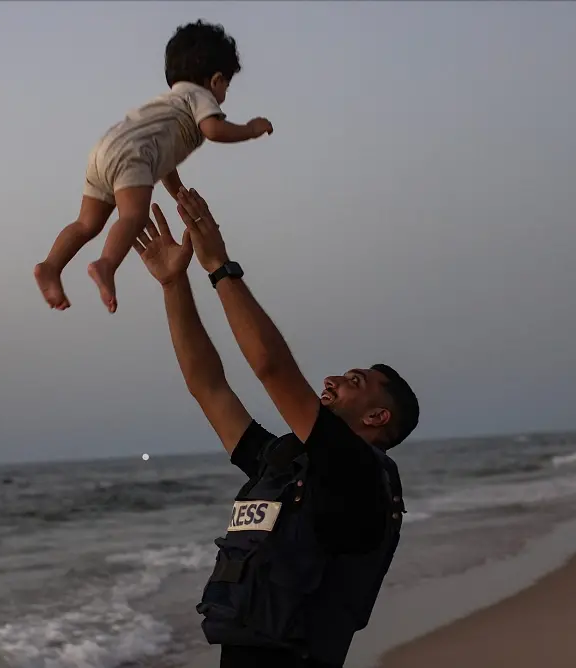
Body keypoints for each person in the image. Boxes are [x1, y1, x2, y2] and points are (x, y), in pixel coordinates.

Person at [135, 188, 420, 668]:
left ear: (376, 418)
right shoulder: (290, 464)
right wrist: (172, 284)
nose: (331, 380)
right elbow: (209, 387)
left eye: (355, 382)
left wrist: (219, 267)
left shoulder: (357, 473)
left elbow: (271, 368)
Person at [34, 20, 273, 314]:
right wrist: (249, 129)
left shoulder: (170, 102)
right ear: (216, 79)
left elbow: (166, 165)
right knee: (133, 216)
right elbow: (213, 130)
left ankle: (50, 266)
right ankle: (106, 264)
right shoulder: (201, 97)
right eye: (227, 85)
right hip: (134, 155)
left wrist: (179, 194)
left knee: (86, 224)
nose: (224, 95)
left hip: (106, 148)